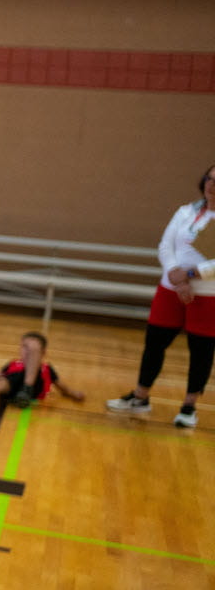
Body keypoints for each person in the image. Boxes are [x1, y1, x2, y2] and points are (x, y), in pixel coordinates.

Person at [106, 164, 215, 429]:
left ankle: (189, 407)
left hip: (208, 295)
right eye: (210, 178)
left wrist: (191, 275)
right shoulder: (186, 211)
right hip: (170, 289)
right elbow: (165, 245)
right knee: (154, 344)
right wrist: (175, 275)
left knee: (200, 352)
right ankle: (140, 398)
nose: (212, 184)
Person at [0, 331, 84, 410]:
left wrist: (73, 393)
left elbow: (62, 388)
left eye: (31, 349)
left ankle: (26, 391)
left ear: (42, 352)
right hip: (12, 391)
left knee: (4, 380)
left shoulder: (46, 369)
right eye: (23, 347)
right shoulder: (13, 364)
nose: (26, 350)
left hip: (33, 389)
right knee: (0, 383)